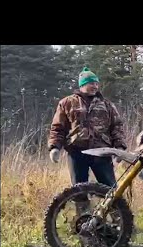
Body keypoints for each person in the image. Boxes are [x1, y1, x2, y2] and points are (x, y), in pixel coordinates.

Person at [48, 67, 127, 213]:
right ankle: (84, 223)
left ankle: (119, 221)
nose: (95, 86)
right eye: (91, 83)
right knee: (79, 190)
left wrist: (120, 148)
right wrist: (54, 147)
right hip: (77, 152)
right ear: (82, 84)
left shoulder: (107, 104)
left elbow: (117, 126)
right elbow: (58, 127)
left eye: (97, 83)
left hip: (101, 153)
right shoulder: (67, 103)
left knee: (111, 189)